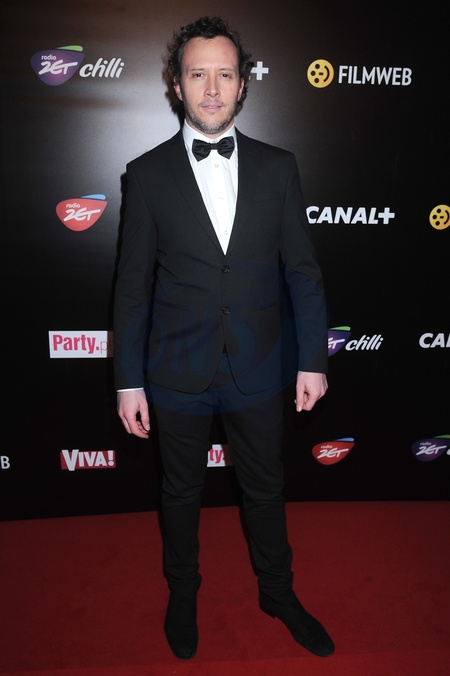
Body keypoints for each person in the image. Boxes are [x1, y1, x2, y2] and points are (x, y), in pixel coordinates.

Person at [113, 16, 334, 660]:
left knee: (265, 489)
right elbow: (132, 289)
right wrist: (128, 380)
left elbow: (303, 272)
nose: (212, 89)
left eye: (225, 74)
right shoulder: (145, 174)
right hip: (175, 369)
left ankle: (278, 592)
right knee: (180, 492)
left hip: (260, 365)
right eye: (198, 74)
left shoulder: (278, 167)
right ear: (176, 85)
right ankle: (183, 593)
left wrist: (313, 359)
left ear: (242, 84)